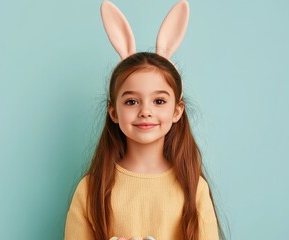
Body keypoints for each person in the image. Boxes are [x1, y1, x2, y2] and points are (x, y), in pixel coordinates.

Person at [65, 1, 226, 239]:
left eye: (159, 101)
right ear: (114, 112)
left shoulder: (193, 189)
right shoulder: (90, 190)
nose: (145, 111)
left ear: (177, 111)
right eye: (132, 101)